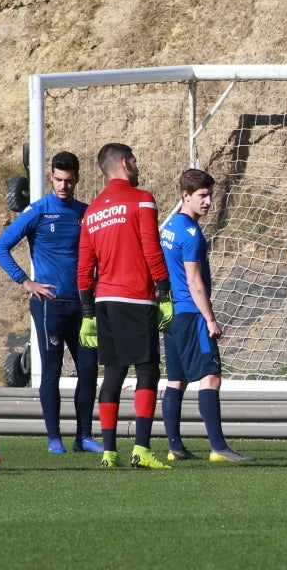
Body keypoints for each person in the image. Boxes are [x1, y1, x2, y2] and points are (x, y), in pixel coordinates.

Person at [0, 152, 103, 455]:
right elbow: (0, 247)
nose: (63, 185)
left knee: (89, 369)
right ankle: (54, 438)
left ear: (77, 179)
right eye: (58, 180)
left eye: (69, 180)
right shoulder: (38, 211)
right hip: (49, 305)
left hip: (83, 305)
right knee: (51, 370)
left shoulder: (86, 213)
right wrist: (26, 281)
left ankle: (84, 436)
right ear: (51, 177)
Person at [77, 142, 173, 470]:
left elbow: (84, 266)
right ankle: (141, 449)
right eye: (135, 161)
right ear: (125, 163)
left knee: (114, 372)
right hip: (135, 296)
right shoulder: (141, 199)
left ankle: (109, 452)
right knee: (147, 368)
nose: (138, 166)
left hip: (104, 300)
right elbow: (151, 248)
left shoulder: (91, 212)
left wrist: (87, 313)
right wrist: (164, 294)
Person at [160, 169, 254, 463]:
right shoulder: (191, 234)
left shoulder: (169, 227)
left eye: (210, 195)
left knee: (176, 380)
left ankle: (175, 447)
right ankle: (218, 447)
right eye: (202, 195)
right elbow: (194, 281)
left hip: (173, 315)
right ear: (185, 195)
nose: (208, 201)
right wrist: (210, 319)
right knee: (210, 377)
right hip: (192, 314)